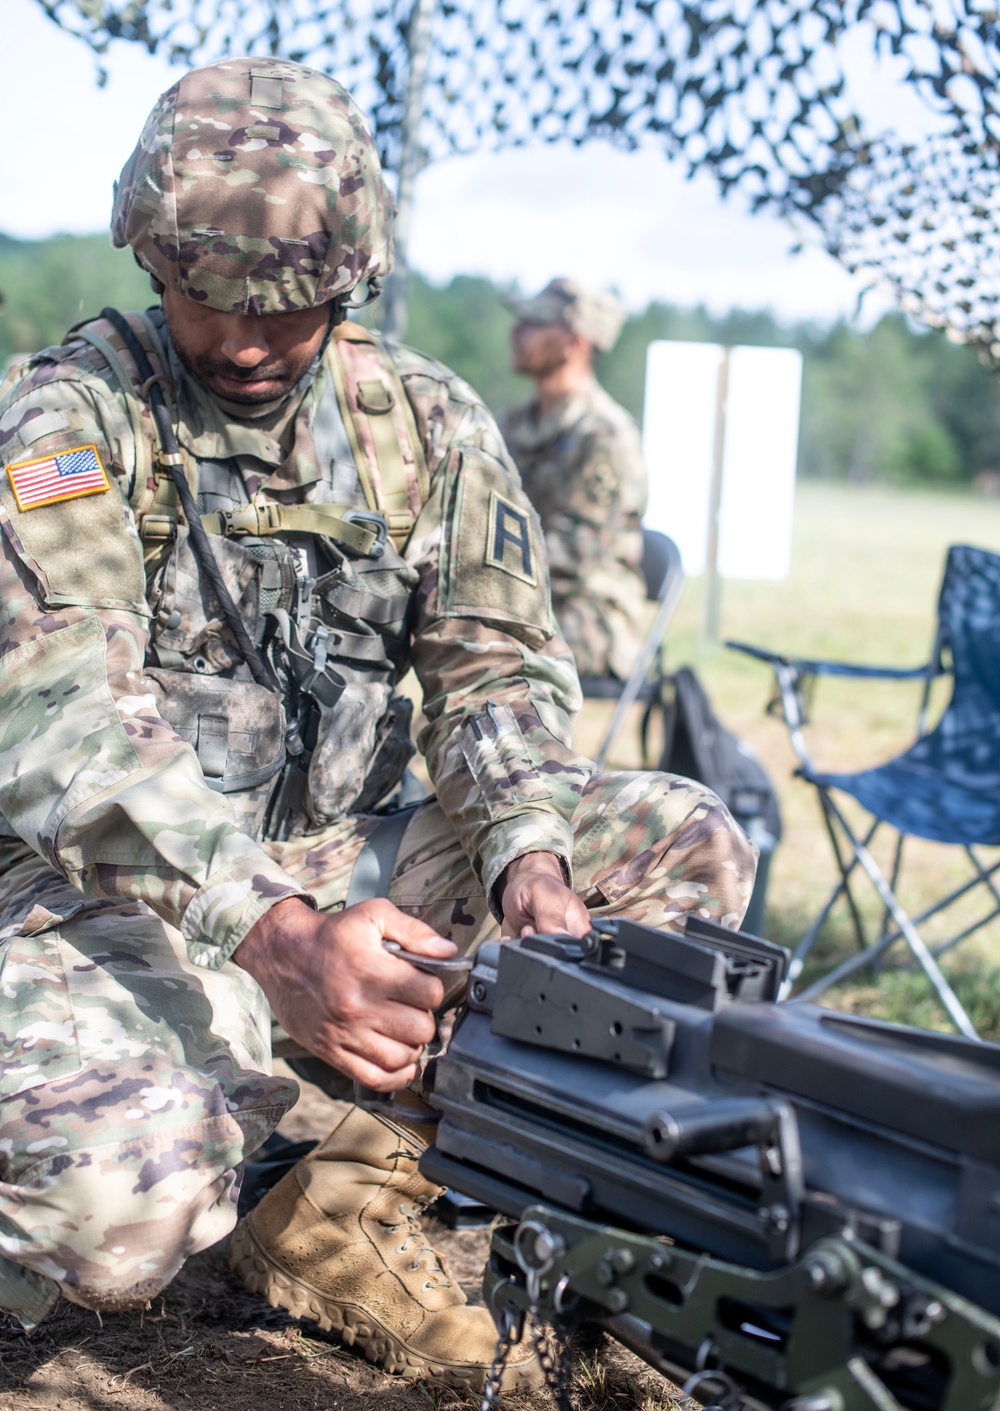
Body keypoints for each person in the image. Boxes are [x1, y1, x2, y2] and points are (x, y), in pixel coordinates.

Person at [0, 59, 756, 1391]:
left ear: (348, 284)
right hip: (106, 910)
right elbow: (67, 724)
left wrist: (531, 855)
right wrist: (279, 940)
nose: (237, 339)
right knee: (121, 1204)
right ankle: (244, 1140)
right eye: (201, 297)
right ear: (151, 255)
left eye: (282, 310)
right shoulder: (67, 423)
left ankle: (366, 1181)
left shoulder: (427, 427)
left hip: (328, 889)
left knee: (669, 847)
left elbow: (501, 668)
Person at [501, 278, 649, 681]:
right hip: (519, 599)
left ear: (574, 344)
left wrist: (483, 581)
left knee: (477, 647)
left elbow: (576, 554)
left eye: (533, 324)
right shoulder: (515, 423)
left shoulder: (605, 436)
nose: (516, 332)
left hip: (590, 614)